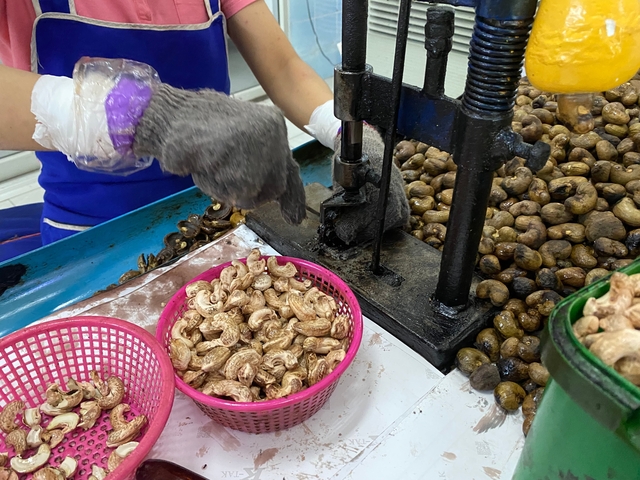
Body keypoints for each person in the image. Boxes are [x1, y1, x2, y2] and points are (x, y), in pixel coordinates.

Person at [0, 0, 409, 262]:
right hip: (91, 238)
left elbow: (284, 68)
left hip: (214, 222)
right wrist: (150, 115)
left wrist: (347, 135)